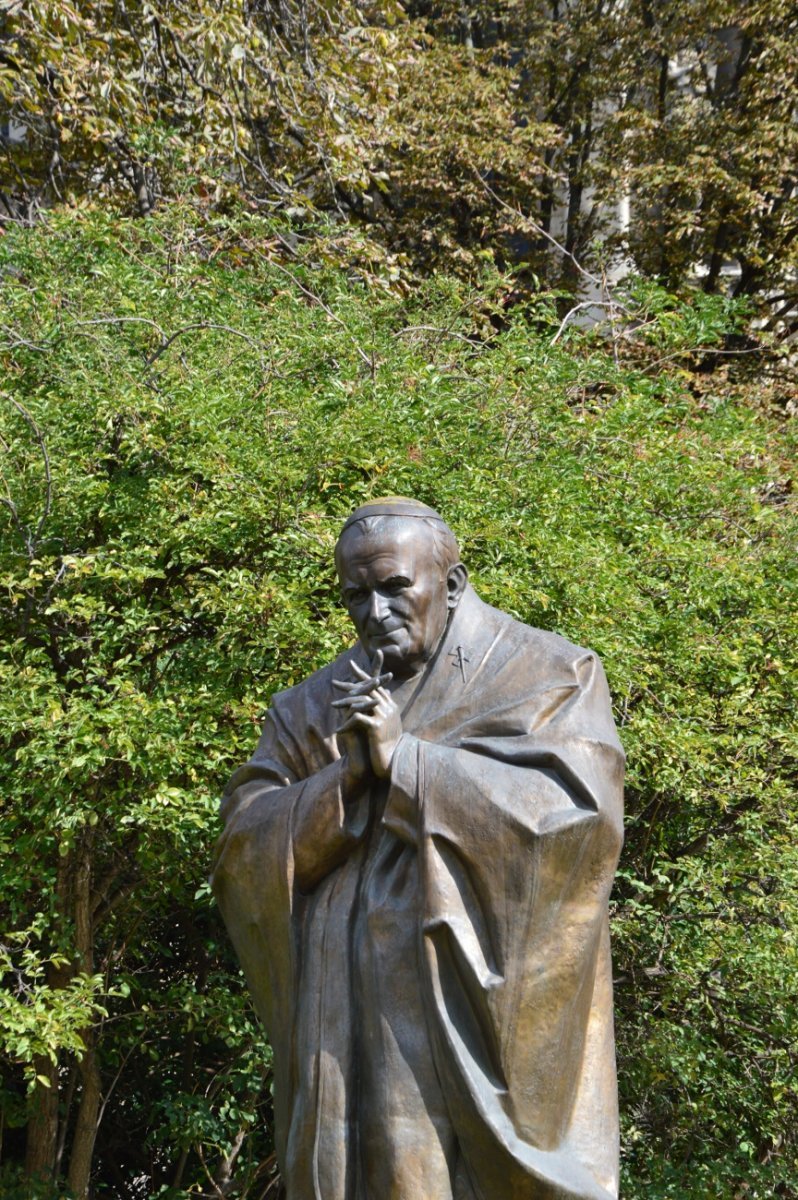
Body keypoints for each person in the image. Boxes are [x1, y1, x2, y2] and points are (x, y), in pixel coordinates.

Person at [211, 497, 624, 1200]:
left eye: (394, 587)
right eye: (355, 596)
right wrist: (346, 778)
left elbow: (577, 824)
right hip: (338, 1024)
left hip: (456, 1021)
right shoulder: (309, 707)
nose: (374, 613)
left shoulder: (547, 674)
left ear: (452, 584)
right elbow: (242, 849)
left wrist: (407, 763)